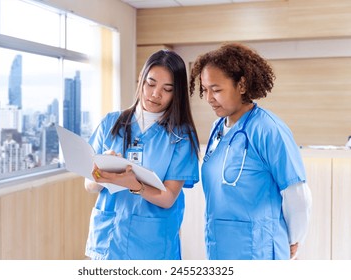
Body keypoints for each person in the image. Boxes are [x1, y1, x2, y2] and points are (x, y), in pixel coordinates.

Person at [189, 43, 312, 260]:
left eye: (216, 90)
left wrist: (293, 239)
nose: (208, 98)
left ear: (242, 85)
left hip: (259, 249)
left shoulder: (268, 129)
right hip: (220, 245)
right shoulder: (217, 129)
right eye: (205, 89)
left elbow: (296, 192)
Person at [84, 49, 200, 260]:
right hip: (109, 240)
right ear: (141, 80)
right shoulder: (111, 123)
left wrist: (134, 184)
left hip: (153, 245)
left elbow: (168, 198)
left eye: (167, 89)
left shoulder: (181, 136)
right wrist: (104, 171)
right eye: (151, 83)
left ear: (177, 93)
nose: (155, 93)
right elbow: (89, 185)